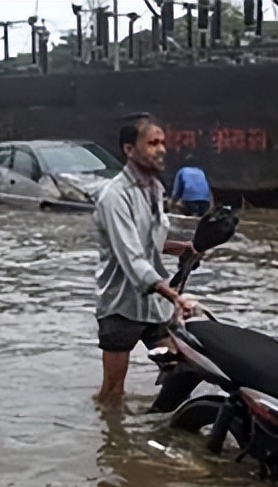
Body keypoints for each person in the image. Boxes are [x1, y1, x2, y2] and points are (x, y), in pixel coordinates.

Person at [93, 113, 196, 408]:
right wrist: (176, 296)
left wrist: (183, 248)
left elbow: (151, 244)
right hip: (120, 307)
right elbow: (133, 259)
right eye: (152, 143)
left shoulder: (154, 189)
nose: (161, 149)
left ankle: (162, 431)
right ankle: (112, 444)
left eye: (162, 143)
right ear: (129, 149)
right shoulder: (114, 197)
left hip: (154, 307)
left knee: (180, 371)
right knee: (113, 391)